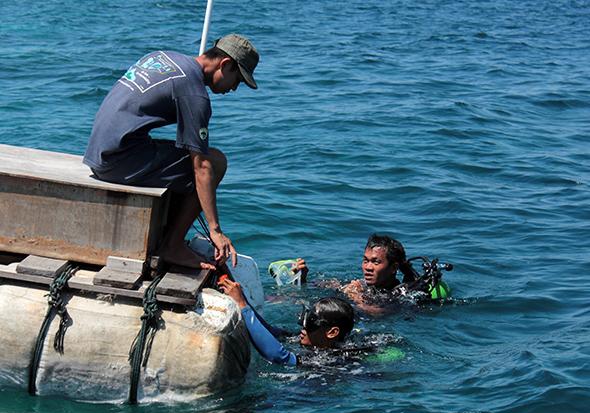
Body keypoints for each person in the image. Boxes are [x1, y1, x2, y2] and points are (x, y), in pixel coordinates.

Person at [83, 34, 259, 269]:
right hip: (117, 162)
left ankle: (167, 234)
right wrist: (215, 230)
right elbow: (202, 167)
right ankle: (172, 246)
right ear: (225, 65)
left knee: (189, 154)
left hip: (98, 152)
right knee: (215, 162)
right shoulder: (194, 94)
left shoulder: (165, 57)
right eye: (237, 79)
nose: (235, 88)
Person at [295, 234, 450, 315]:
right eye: (365, 260)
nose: (368, 267)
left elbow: (379, 314)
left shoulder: (402, 294)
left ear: (393, 268)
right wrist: (303, 279)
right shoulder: (362, 285)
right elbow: (319, 286)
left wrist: (355, 297)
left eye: (376, 262)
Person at [218, 275, 354, 366]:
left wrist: (242, 305)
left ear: (332, 332)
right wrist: (241, 299)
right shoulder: (308, 338)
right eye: (305, 317)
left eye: (311, 320)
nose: (303, 326)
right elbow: (269, 331)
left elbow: (280, 357)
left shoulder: (332, 358)